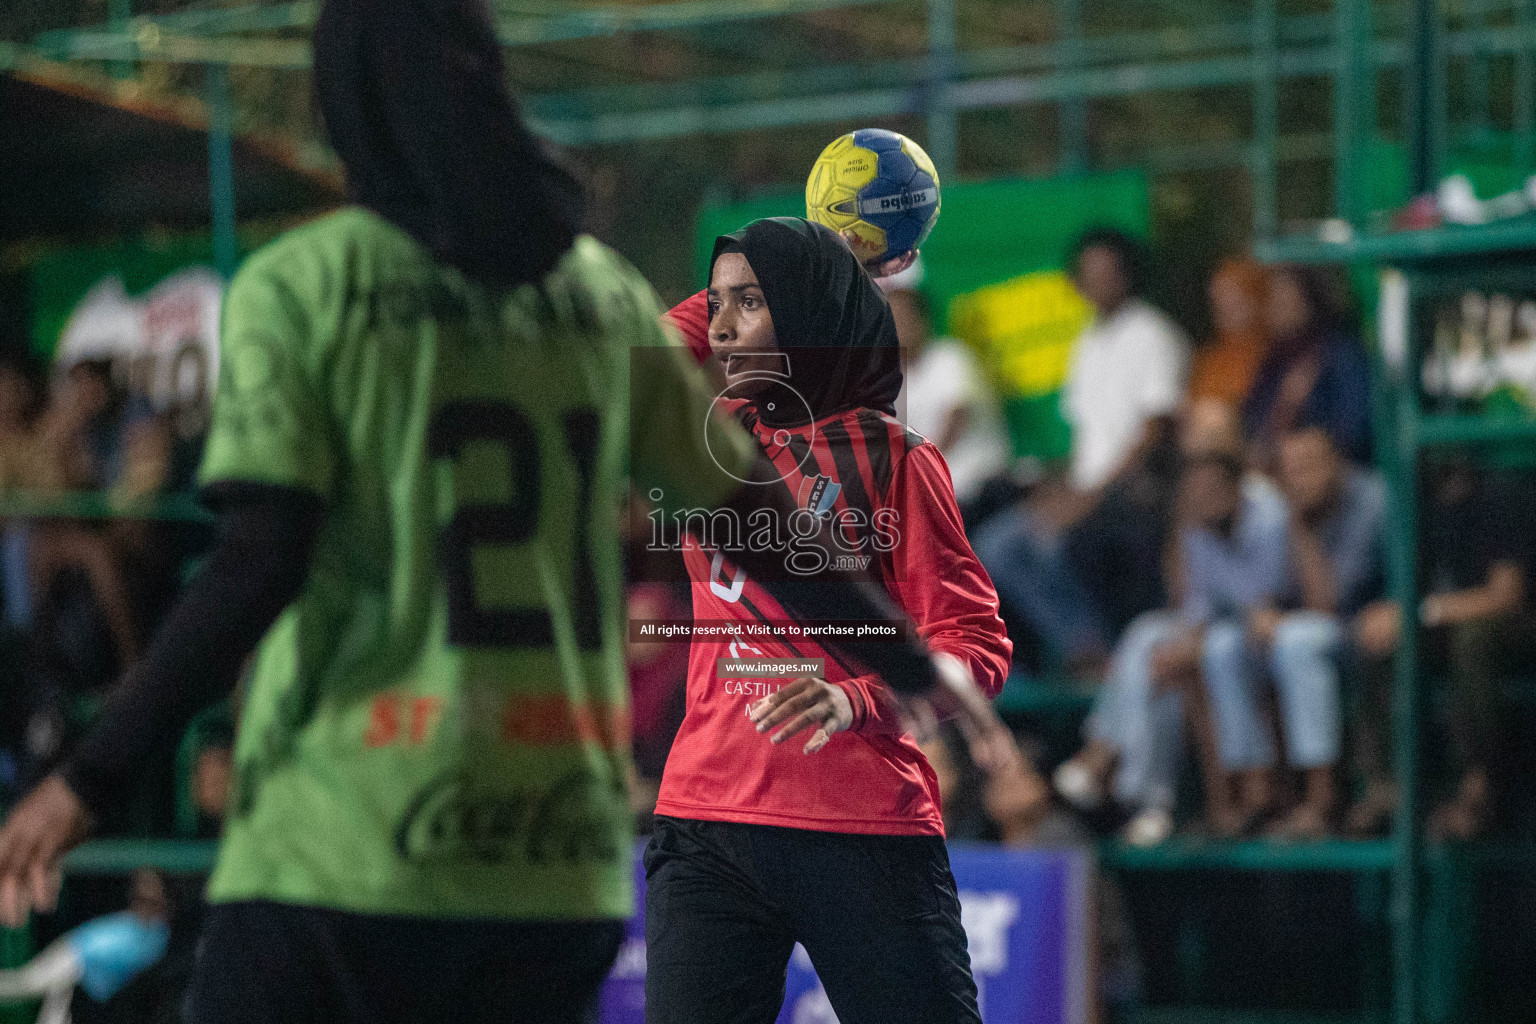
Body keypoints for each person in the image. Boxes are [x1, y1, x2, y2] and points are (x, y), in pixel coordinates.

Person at [0, 5, 983, 1023]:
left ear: (350, 107)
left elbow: (257, 562)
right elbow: (752, 520)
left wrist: (92, 773)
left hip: (347, 841)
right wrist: (913, 673)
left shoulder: (309, 285)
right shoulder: (592, 296)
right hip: (551, 867)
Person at [644, 218, 1013, 1024]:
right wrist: (792, 255)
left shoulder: (896, 459)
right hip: (705, 822)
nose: (723, 325)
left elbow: (975, 645)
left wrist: (859, 699)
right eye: (716, 304)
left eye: (751, 303)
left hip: (861, 824)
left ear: (810, 311)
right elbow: (638, 361)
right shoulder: (714, 445)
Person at [1054, 406, 1286, 844]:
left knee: (1203, 652)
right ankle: (1147, 796)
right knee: (1147, 640)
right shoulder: (1196, 513)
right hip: (1217, 625)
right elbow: (1191, 602)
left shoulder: (1266, 509)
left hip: (1261, 631)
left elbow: (1264, 606)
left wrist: (1194, 639)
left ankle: (1110, 765)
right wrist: (1183, 528)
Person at [973, 228, 1189, 669]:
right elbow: (1086, 439)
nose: (1100, 281)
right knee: (995, 545)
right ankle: (1084, 648)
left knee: (1054, 545)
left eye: (1109, 271)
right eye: (1090, 273)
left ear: (1129, 274)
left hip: (1133, 491)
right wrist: (1059, 489)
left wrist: (1090, 498)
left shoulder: (1153, 334)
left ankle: (1108, 658)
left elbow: (1155, 432)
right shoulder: (1088, 341)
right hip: (1087, 487)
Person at [1203, 427, 1385, 840]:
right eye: (1292, 470)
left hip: (1366, 633)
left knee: (1297, 641)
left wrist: (1298, 525)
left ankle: (1321, 800)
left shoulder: (1370, 502)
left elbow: (1329, 603)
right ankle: (1257, 795)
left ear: (1337, 461)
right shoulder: (1279, 512)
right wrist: (1263, 614)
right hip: (1306, 634)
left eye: (1310, 466)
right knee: (1223, 645)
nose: (1301, 478)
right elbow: (1261, 595)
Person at [1349, 463, 1536, 841]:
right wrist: (1391, 617)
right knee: (1379, 638)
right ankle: (1388, 787)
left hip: (1512, 631)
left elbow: (1505, 596)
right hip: (1444, 629)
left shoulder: (1501, 497)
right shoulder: (1419, 507)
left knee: (1471, 638)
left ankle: (1479, 788)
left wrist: (1419, 613)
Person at [883, 259, 1011, 507]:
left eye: (902, 316)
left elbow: (956, 417)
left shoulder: (950, 357)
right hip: (934, 496)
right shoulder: (893, 381)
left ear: (922, 317)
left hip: (978, 487)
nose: (895, 326)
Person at [1242, 263, 1372, 473]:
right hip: (1276, 475)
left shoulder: (1341, 353)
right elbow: (1252, 422)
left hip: (1338, 475)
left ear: (1309, 301)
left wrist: (1311, 450)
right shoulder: (1274, 360)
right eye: (1273, 298)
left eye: (1285, 299)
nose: (1275, 307)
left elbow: (1355, 429)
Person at [1189, 259, 1270, 408]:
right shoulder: (1209, 357)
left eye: (1234, 298)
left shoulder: (1271, 355)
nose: (1226, 307)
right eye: (1219, 299)